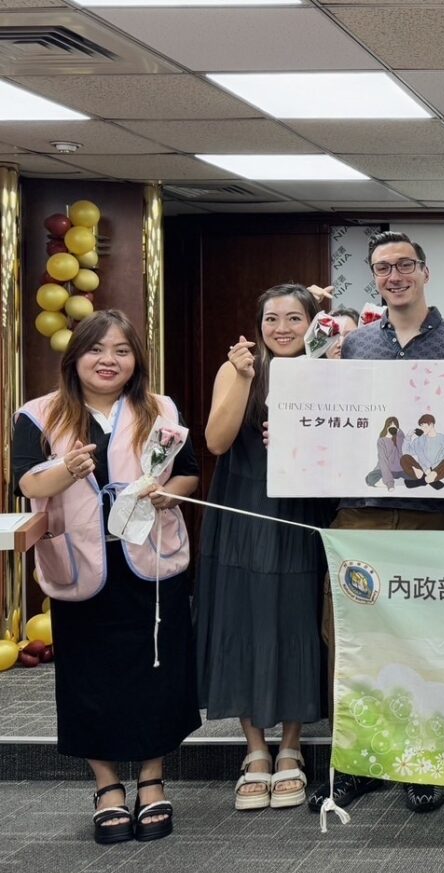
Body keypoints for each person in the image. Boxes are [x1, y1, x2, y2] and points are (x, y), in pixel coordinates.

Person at [307, 230, 444, 817]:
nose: (395, 276)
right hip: (358, 515)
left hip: (432, 517)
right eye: (383, 268)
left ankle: (424, 760)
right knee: (351, 640)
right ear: (375, 277)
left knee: (426, 639)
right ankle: (356, 763)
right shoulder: (354, 344)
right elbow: (327, 417)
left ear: (425, 271)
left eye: (405, 265)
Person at [12, 311, 201, 844]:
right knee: (89, 678)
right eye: (97, 350)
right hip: (80, 564)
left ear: (135, 359)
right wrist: (65, 470)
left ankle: (152, 780)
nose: (108, 361)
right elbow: (25, 481)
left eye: (121, 350)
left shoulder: (160, 409)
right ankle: (107, 787)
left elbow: (188, 472)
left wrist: (169, 494)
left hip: (149, 562)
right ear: (75, 357)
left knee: (157, 673)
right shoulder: (39, 414)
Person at [198, 284, 335, 813]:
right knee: (243, 619)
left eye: (294, 318)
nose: (282, 328)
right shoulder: (238, 369)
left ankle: (292, 747)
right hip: (243, 506)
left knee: (297, 619)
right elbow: (216, 441)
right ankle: (255, 748)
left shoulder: (327, 370)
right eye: (271, 318)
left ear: (312, 324)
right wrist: (243, 377)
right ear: (258, 325)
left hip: (301, 512)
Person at [398, 413, 444, 490]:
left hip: (437, 469)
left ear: (431, 425)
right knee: (404, 458)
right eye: (421, 426)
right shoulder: (418, 440)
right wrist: (408, 436)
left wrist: (431, 469)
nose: (422, 429)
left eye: (424, 426)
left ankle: (422, 481)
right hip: (422, 470)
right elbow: (406, 452)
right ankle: (426, 478)